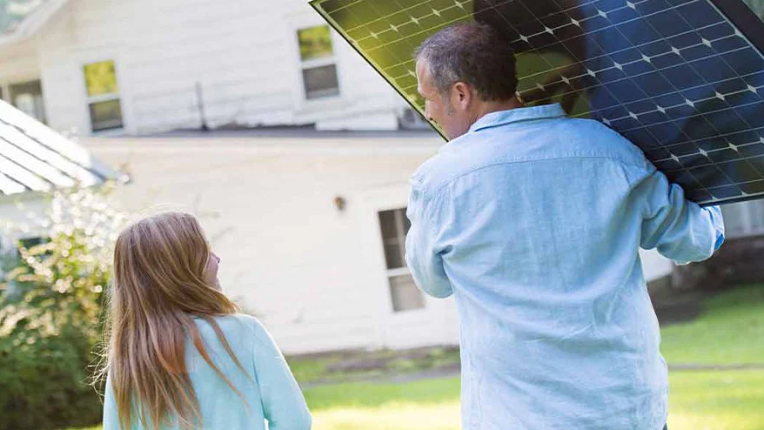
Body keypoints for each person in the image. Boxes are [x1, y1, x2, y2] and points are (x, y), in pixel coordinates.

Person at [406, 23, 724, 430]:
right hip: (625, 413)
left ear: (461, 94)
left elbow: (433, 282)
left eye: (428, 99)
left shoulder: (438, 183)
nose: (428, 112)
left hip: (515, 419)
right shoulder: (610, 150)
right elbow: (695, 241)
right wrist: (713, 176)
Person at [98, 212, 311, 430]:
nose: (217, 260)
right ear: (180, 270)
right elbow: (295, 422)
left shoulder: (129, 357)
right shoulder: (245, 332)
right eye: (205, 252)